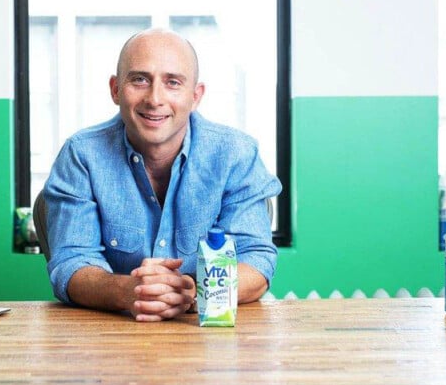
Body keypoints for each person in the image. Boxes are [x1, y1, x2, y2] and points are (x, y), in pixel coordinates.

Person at [43, 28, 282, 321]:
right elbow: (70, 262)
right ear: (115, 89)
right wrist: (128, 291)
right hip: (112, 337)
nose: (155, 99)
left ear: (196, 96)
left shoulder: (236, 154)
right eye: (140, 80)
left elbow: (255, 259)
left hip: (211, 340)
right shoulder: (81, 155)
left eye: (173, 82)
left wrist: (192, 290)